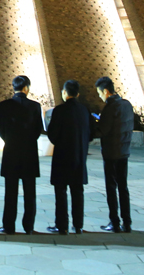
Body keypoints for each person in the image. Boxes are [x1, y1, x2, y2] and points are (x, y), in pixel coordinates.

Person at [0, 75, 43, 234]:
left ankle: (8, 226)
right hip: (29, 153)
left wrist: (9, 140)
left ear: (13, 87)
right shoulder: (35, 106)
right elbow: (38, 130)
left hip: (11, 152)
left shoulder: (4, 105)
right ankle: (28, 226)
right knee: (30, 193)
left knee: (10, 192)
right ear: (27, 88)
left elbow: (0, 129)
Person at [46, 79, 91, 235]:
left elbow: (52, 134)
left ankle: (61, 225)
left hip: (62, 157)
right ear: (77, 94)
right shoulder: (84, 110)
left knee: (61, 192)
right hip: (79, 156)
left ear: (64, 92)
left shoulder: (59, 110)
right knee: (78, 191)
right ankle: (78, 225)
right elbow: (91, 133)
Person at [95, 76, 135, 233]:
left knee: (111, 188)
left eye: (99, 93)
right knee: (123, 187)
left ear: (105, 91)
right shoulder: (127, 105)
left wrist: (95, 123)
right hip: (124, 152)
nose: (99, 96)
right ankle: (127, 222)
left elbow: (102, 131)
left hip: (111, 153)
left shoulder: (109, 108)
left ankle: (114, 222)